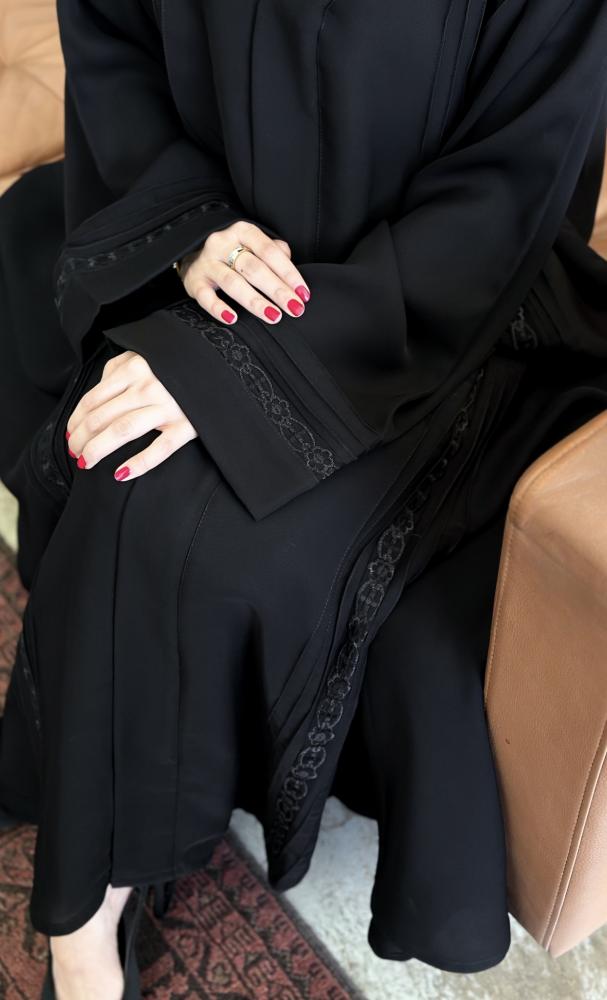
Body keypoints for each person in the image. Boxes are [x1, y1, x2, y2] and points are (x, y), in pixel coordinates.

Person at [1, 0, 607, 996]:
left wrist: (245, 366)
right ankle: (88, 908)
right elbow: (114, 40)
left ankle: (84, 909)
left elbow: (506, 192)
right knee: (104, 433)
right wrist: (190, 230)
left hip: (429, 317)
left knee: (154, 506)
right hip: (215, 242)